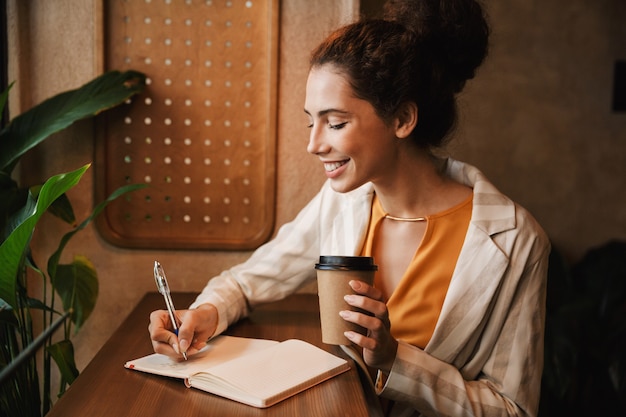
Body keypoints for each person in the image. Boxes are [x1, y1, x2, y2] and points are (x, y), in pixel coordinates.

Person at [149, 0, 550, 415]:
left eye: (335, 123)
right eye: (312, 122)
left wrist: (396, 362)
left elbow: (512, 409)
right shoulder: (342, 202)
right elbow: (247, 282)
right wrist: (202, 315)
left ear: (402, 119)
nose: (314, 144)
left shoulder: (516, 240)